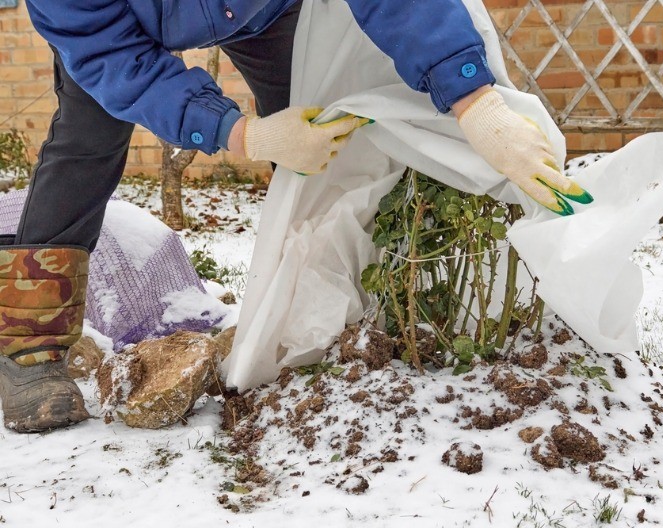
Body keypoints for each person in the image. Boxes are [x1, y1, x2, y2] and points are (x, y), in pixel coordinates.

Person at [0, 0, 592, 433]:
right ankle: (29, 346)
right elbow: (112, 59)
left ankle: (319, 305)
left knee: (319, 130)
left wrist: (472, 98)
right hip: (122, 31)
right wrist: (243, 135)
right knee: (85, 144)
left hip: (264, 11)